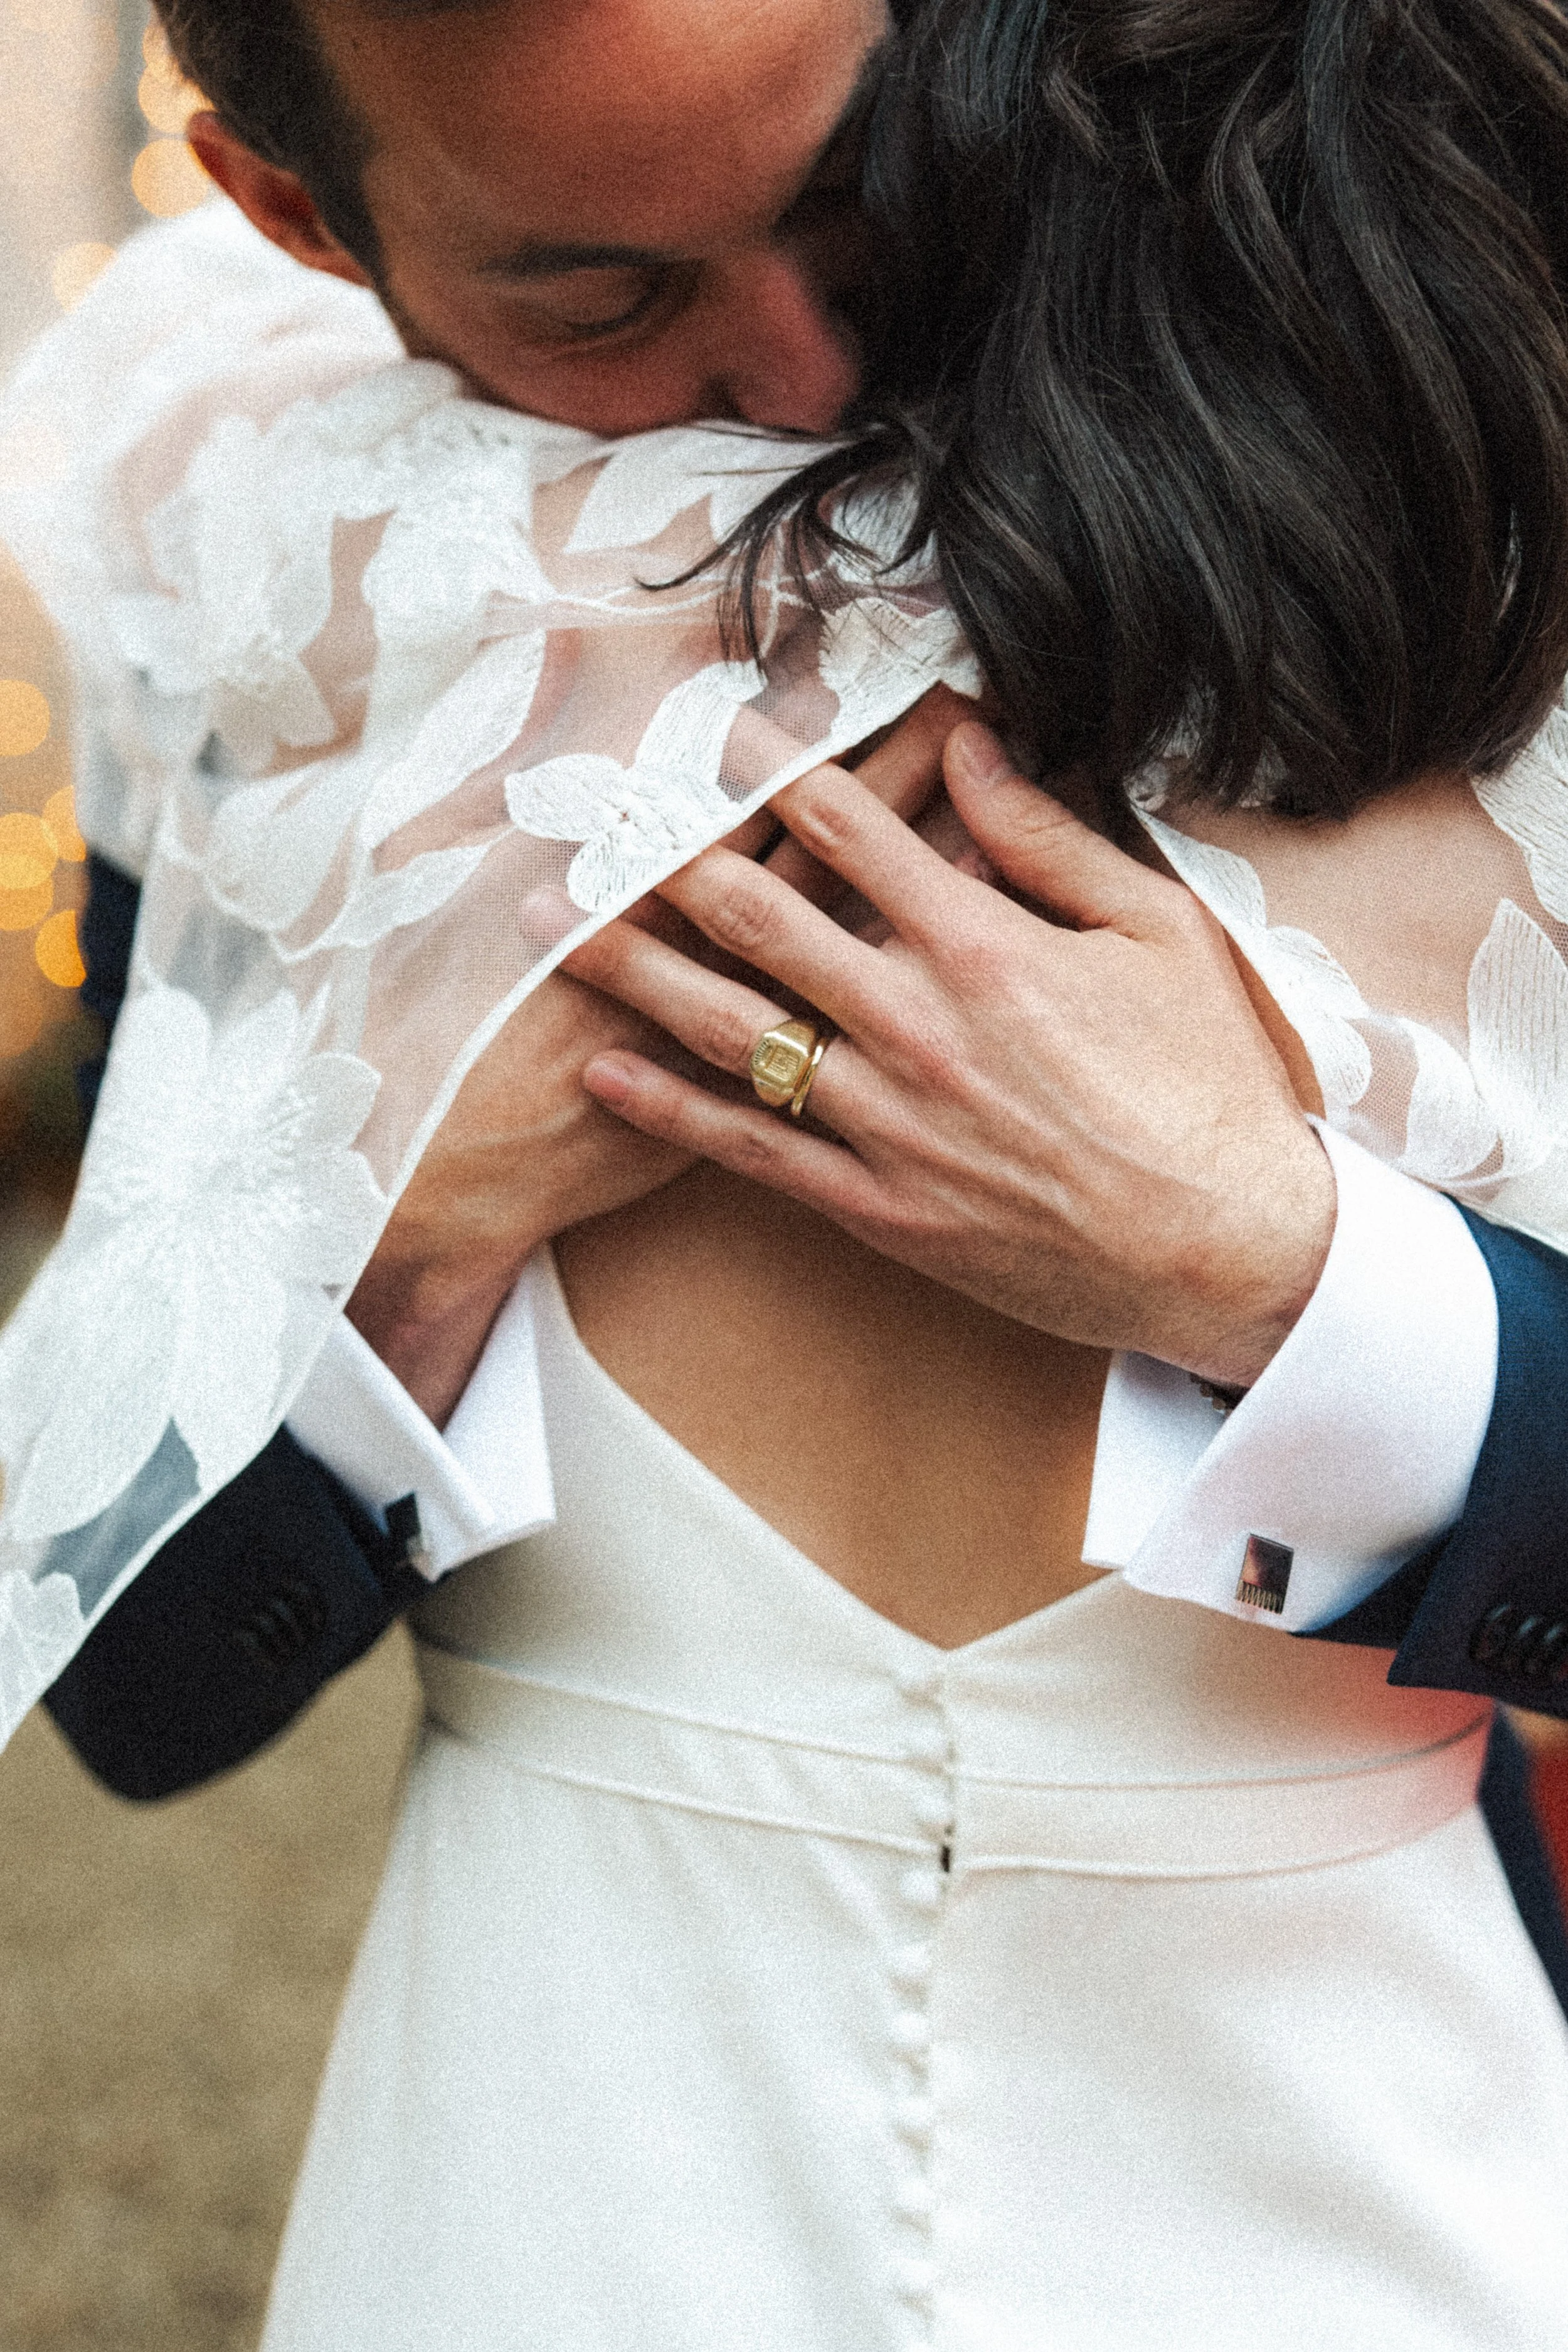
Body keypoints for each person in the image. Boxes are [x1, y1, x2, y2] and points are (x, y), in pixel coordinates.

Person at [1, 0, 1566, 2342]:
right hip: (530, 2201)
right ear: (298, 217)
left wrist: (1280, 1273)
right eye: (604, 299)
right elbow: (136, 1692)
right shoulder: (275, 579)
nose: (801, 366)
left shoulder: (1439, 480)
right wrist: (393, 1232)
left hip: (1390, 2193)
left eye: (858, 197)